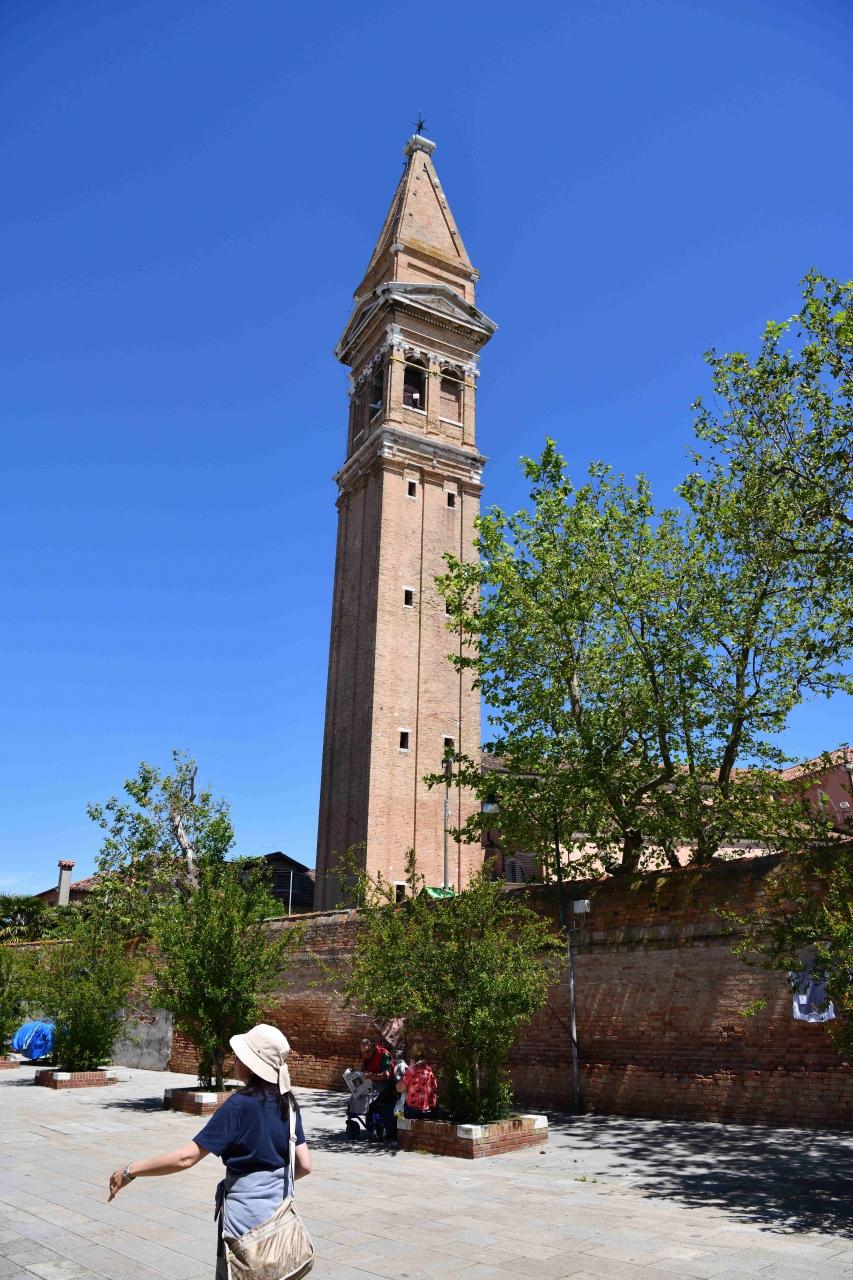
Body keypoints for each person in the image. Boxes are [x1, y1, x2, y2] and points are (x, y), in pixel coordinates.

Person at [108, 1024, 311, 1278]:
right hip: (281, 1223)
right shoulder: (288, 1104)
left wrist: (131, 1170)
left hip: (244, 1226)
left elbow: (186, 1158)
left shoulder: (238, 1106)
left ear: (251, 1064)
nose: (235, 1060)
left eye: (240, 1056)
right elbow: (304, 1165)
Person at [358, 1036, 395, 1138]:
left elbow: (386, 1075)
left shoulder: (383, 1054)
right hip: (371, 1084)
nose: (365, 1054)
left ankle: (377, 1126)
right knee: (358, 1095)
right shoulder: (367, 1056)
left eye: (367, 1051)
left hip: (385, 1085)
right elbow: (363, 1070)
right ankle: (369, 1124)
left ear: (373, 1046)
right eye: (363, 1052)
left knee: (371, 1099)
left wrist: (372, 1076)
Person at [396, 1041, 438, 1119]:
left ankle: (395, 1126)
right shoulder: (429, 1071)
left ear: (412, 1058)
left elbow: (399, 1088)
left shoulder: (412, 1070)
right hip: (429, 1111)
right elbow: (435, 1087)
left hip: (413, 1111)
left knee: (396, 1113)